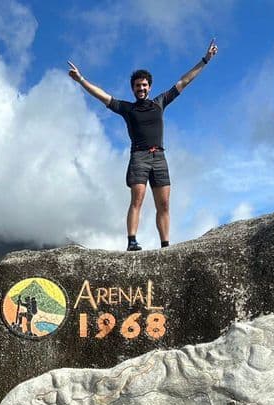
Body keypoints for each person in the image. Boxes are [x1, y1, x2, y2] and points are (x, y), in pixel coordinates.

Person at [68, 39, 219, 251]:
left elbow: (184, 81)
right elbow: (102, 96)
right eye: (137, 85)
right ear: (133, 88)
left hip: (159, 157)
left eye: (144, 85)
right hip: (139, 157)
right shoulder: (127, 108)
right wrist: (81, 80)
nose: (141, 88)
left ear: (149, 87)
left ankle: (166, 245)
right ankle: (132, 241)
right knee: (137, 200)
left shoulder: (160, 102)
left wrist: (205, 60)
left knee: (164, 204)